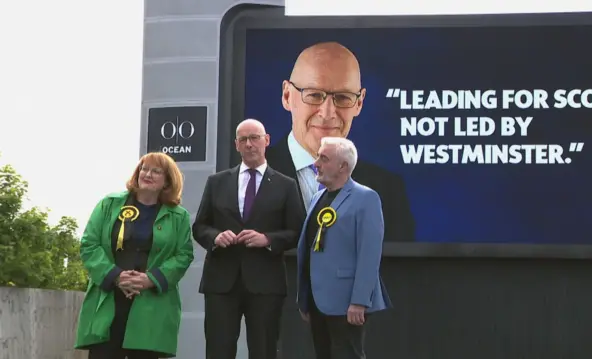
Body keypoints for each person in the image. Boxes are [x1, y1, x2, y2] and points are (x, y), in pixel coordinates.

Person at [266, 41, 415, 242]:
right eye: (314, 95)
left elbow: (400, 272)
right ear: (287, 96)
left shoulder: (387, 191)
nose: (327, 113)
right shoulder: (245, 176)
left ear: (359, 103)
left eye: (343, 98)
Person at [192, 118, 306, 359]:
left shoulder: (286, 185)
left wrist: (267, 239)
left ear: (266, 141)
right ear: (236, 145)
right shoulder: (217, 182)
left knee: (263, 351)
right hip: (222, 282)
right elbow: (200, 226)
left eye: (254, 138)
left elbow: (297, 231)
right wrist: (215, 237)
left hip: (265, 283)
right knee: (218, 350)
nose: (249, 144)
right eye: (243, 139)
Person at [74, 152, 195, 359]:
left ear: (167, 180)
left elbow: (183, 255)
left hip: (151, 303)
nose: (147, 174)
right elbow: (89, 244)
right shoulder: (109, 204)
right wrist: (117, 277)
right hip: (110, 297)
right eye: (144, 169)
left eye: (156, 171)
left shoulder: (179, 216)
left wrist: (150, 279)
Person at [296, 136, 392, 359]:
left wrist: (359, 301)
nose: (316, 163)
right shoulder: (317, 198)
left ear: (343, 166)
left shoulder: (366, 198)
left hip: (346, 302)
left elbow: (369, 254)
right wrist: (304, 297)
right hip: (316, 301)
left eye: (324, 158)